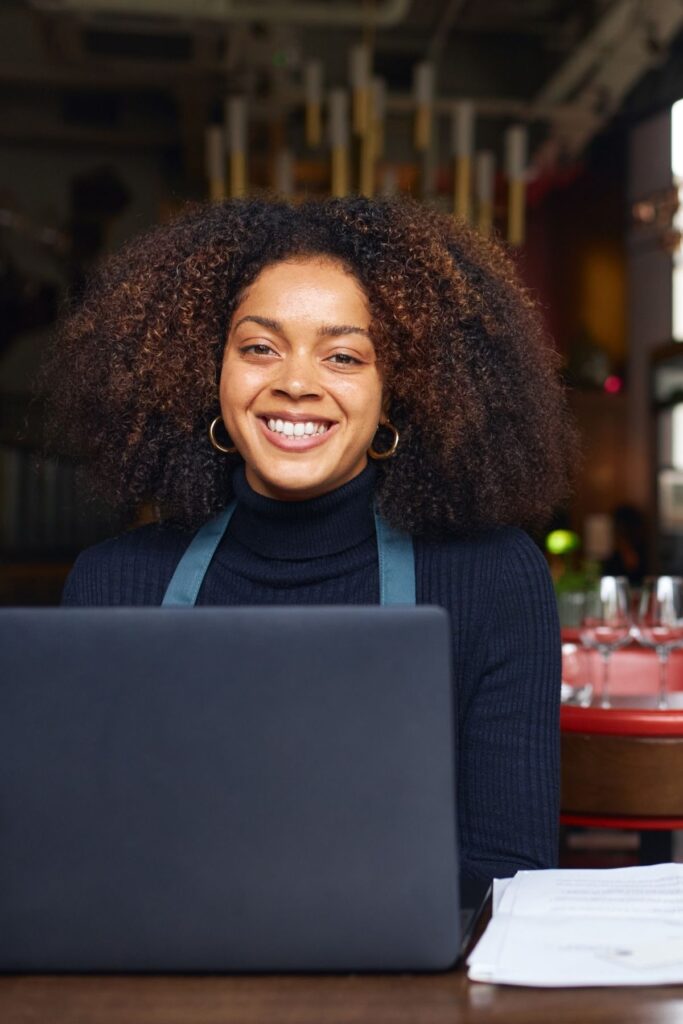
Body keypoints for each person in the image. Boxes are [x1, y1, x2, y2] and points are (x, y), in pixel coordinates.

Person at [49, 196, 572, 890]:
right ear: (209, 372)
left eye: (344, 356)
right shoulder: (111, 584)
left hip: (405, 988)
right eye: (259, 347)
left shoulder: (493, 580)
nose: (295, 384)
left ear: (402, 390)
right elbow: (75, 865)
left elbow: (510, 876)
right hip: (167, 984)